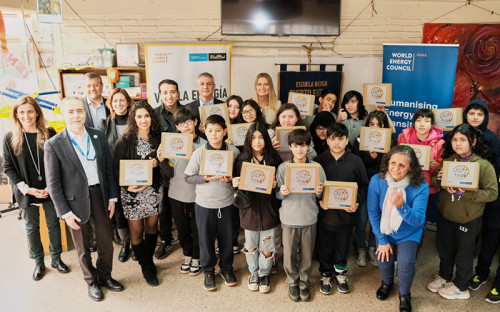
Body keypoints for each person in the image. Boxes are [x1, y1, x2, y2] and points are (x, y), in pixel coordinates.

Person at [44, 97, 123, 302]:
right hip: (74, 202)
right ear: (63, 115)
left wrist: (112, 197)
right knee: (83, 247)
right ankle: (91, 281)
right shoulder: (53, 144)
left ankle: (105, 276)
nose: (76, 115)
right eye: (70, 112)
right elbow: (53, 184)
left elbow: (108, 170)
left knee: (106, 242)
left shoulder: (97, 136)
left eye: (79, 111)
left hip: (101, 196)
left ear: (85, 113)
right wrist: (65, 213)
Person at [428, 124, 498, 300]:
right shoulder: (449, 160)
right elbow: (436, 183)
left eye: (463, 140)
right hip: (445, 215)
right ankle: (444, 275)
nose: (458, 143)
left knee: (464, 254)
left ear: (473, 141)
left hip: (468, 220)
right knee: (444, 249)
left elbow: (492, 193)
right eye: (454, 139)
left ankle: (461, 286)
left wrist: (466, 192)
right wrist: (440, 180)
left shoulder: (483, 166)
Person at [3, 96, 68, 281]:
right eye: (21, 112)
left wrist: (51, 186)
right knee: (32, 227)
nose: (26, 116)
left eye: (30, 111)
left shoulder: (49, 132)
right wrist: (28, 189)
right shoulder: (10, 138)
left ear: (37, 112)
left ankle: (56, 259)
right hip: (26, 192)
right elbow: (8, 167)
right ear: (16, 114)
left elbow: (60, 161)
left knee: (54, 224)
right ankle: (39, 262)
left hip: (50, 189)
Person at [113, 101, 172, 286]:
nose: (143, 120)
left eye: (146, 115)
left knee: (153, 228)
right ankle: (147, 267)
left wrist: (159, 162)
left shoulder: (160, 138)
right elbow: (116, 169)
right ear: (133, 118)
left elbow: (169, 171)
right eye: (139, 116)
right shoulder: (125, 140)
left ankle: (147, 259)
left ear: (151, 117)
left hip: (154, 191)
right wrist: (125, 187)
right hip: (132, 194)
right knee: (136, 232)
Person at [367, 145, 429, 312]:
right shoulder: (377, 181)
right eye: (392, 163)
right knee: (382, 258)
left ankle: (404, 294)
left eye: (402, 165)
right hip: (384, 229)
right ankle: (387, 282)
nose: (396, 168)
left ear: (411, 167)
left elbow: (418, 221)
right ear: (387, 163)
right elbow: (373, 212)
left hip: (409, 232)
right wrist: (381, 239)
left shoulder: (421, 186)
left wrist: (402, 206)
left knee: (405, 263)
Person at [184, 114, 240, 291]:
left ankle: (227, 269)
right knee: (206, 240)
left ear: (224, 131)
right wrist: (204, 178)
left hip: (227, 203)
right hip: (204, 205)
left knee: (227, 240)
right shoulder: (200, 152)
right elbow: (188, 177)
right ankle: (208, 271)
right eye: (210, 131)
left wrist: (231, 179)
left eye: (218, 130)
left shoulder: (234, 151)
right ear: (204, 131)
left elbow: (239, 177)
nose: (214, 134)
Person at [315, 122, 369, 296]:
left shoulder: (356, 161)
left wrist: (356, 202)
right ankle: (325, 273)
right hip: (325, 213)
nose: (336, 143)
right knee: (324, 244)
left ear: (347, 141)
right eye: (332, 139)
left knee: (342, 243)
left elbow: (363, 186)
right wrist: (318, 200)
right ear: (327, 141)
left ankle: (340, 272)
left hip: (346, 215)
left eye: (340, 139)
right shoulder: (319, 161)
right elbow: (312, 187)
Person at [276, 129, 326, 302]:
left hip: (309, 216)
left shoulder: (316, 167)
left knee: (307, 254)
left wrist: (320, 192)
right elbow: (277, 194)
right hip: (289, 218)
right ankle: (292, 282)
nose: (299, 150)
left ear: (308, 147)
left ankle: (304, 281)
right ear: (290, 147)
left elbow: (322, 193)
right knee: (288, 254)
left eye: (303, 146)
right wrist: (282, 192)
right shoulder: (283, 168)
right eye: (296, 146)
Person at [232, 122, 283, 293]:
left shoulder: (275, 159)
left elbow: (282, 188)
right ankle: (253, 273)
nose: (257, 141)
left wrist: (276, 185)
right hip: (249, 212)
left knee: (268, 247)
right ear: (248, 139)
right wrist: (235, 183)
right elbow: (236, 187)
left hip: (269, 211)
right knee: (251, 246)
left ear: (266, 139)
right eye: (253, 137)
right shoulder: (241, 160)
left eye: (261, 137)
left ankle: (264, 273)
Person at [464, 99, 500, 304]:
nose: (476, 117)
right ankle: (480, 272)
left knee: (491, 229)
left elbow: (495, 165)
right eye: (472, 113)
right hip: (466, 193)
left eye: (480, 114)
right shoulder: (460, 133)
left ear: (485, 117)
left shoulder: (492, 138)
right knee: (488, 233)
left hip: (487, 191)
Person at [353, 110, 396, 267]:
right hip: (364, 185)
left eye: (380, 124)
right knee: (362, 218)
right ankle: (361, 249)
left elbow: (391, 168)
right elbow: (357, 167)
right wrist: (370, 158)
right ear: (366, 125)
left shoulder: (390, 142)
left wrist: (378, 157)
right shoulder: (359, 140)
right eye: (372, 124)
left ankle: (372, 247)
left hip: (382, 186)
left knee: (376, 219)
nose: (376, 127)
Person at [168, 106, 206, 276]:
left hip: (197, 194)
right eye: (181, 124)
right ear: (176, 126)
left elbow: (207, 173)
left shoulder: (205, 145)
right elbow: (168, 172)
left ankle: (197, 257)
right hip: (176, 192)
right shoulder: (172, 143)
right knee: (182, 227)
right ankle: (187, 254)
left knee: (197, 227)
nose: (185, 126)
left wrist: (195, 156)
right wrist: (161, 160)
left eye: (188, 122)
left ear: (195, 122)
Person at [98, 88, 134, 262]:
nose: (119, 104)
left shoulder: (137, 121)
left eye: (122, 100)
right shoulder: (104, 125)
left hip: (136, 172)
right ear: (110, 104)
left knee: (135, 208)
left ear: (128, 102)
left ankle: (136, 242)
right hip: (114, 174)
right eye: (115, 101)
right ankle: (126, 242)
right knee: (119, 210)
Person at [153, 79, 181, 260]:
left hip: (183, 166)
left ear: (178, 93)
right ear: (160, 95)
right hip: (163, 167)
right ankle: (165, 240)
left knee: (184, 205)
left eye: (172, 92)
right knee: (163, 207)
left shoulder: (188, 112)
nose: (169, 96)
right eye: (165, 92)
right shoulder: (153, 114)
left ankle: (188, 235)